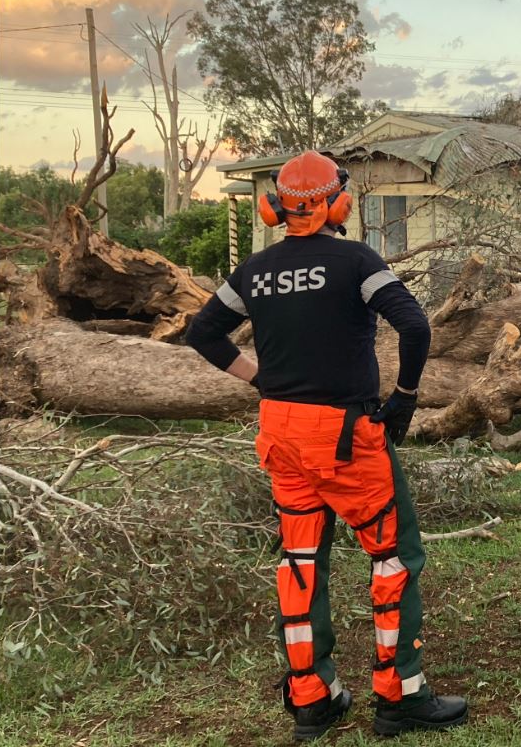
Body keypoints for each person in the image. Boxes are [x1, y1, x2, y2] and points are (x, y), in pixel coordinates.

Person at [186, 151, 467, 740]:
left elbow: (203, 332)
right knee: (392, 558)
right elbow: (415, 325)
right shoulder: (355, 261)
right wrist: (405, 397)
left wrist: (260, 378)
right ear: (337, 203)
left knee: (301, 561)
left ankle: (312, 698)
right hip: (344, 437)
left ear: (276, 208)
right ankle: (400, 695)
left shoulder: (255, 270)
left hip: (281, 433)